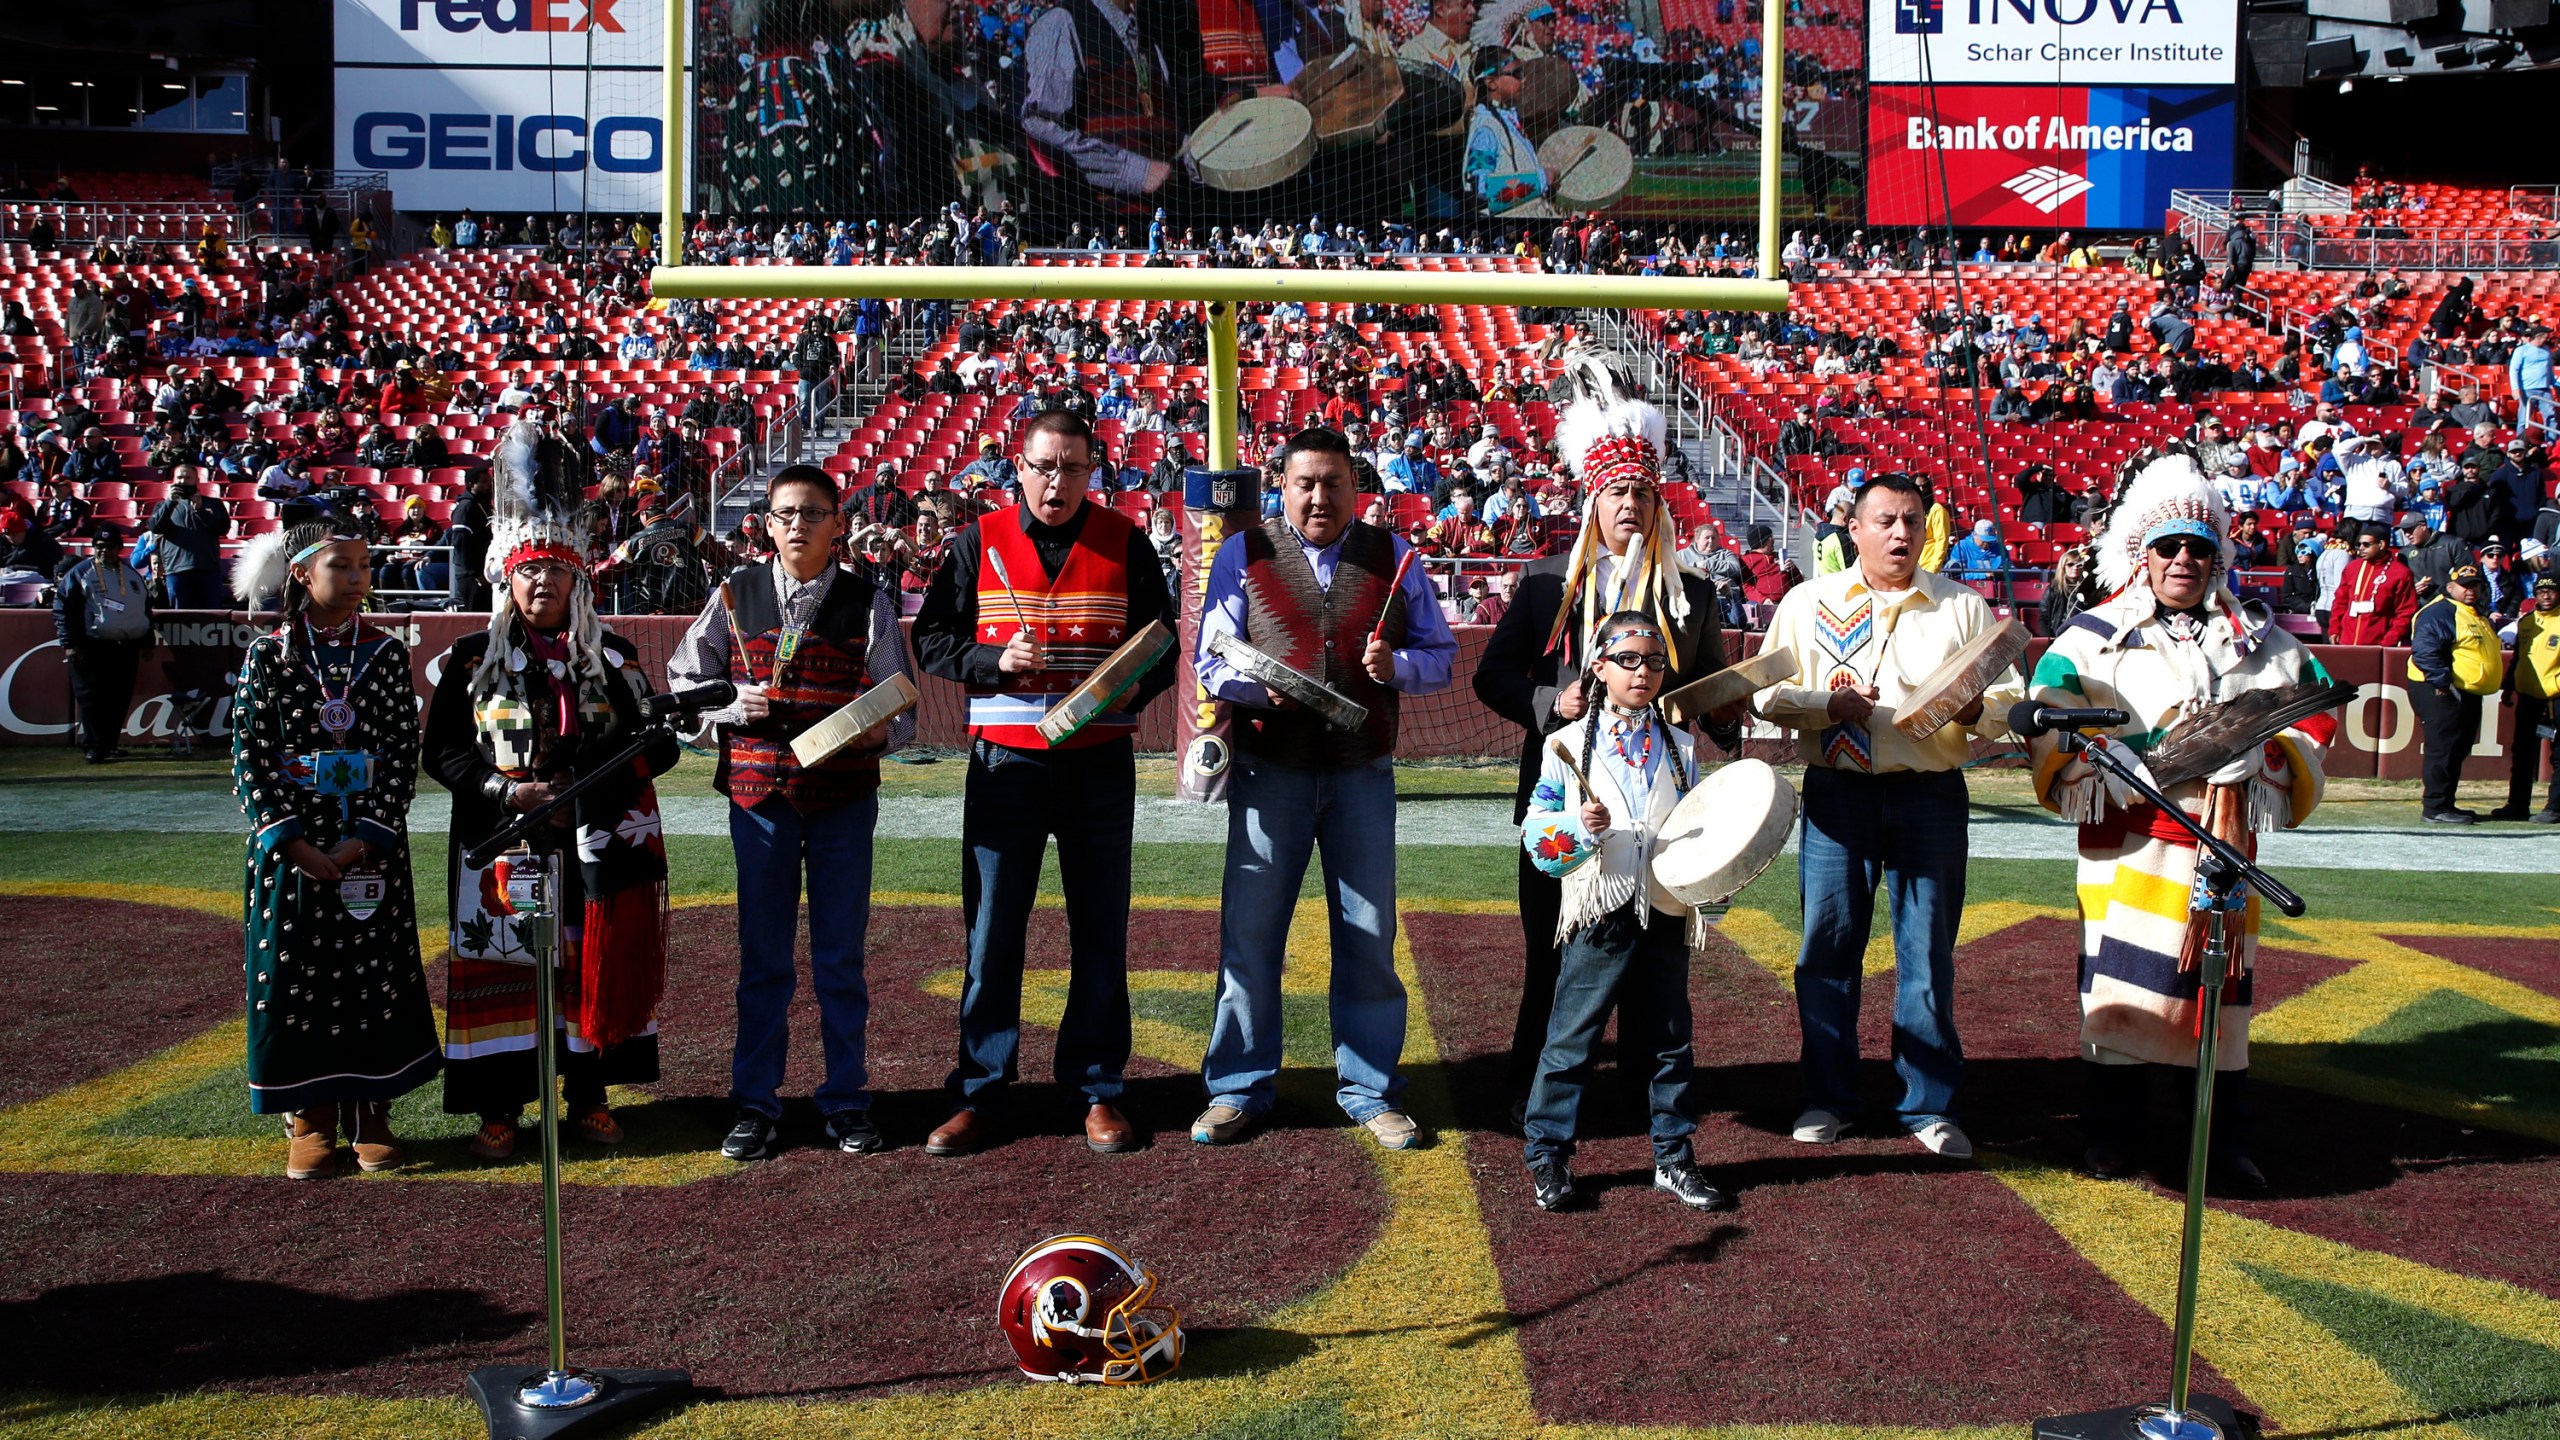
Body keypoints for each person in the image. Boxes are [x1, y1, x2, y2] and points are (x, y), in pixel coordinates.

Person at [2026, 453, 2340, 1189]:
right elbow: (2049, 711)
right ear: (2142, 551)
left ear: (2218, 555)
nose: (2184, 560)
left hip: (2223, 842)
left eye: (2200, 547)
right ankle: (2111, 1134)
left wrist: (2261, 760)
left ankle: (2221, 1141)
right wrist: (2107, 757)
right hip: (2130, 845)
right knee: (2123, 991)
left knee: (2220, 999)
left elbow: (2317, 712)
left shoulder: (2260, 638)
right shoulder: (2094, 635)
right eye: (2169, 546)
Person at [1473, 354, 1741, 1121]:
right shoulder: (1544, 584)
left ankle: (1635, 1101)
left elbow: (1708, 696)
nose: (1630, 503)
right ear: (1593, 499)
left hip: (1660, 812)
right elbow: (1493, 677)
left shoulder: (1690, 596)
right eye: (1618, 491)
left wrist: (1727, 712)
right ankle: (1536, 1094)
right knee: (1552, 952)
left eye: (1643, 492)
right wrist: (1547, 702)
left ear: (1660, 504)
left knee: (1651, 960)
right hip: (1561, 804)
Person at [913, 410, 1179, 1156]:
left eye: (1071, 467)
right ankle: (980, 1091)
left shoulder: (1126, 541)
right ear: (1017, 467)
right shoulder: (978, 540)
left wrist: (1131, 689)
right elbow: (930, 638)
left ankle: (1097, 1089)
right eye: (1043, 466)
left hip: (1099, 762)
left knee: (1100, 927)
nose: (1056, 481)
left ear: (1093, 471)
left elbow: (1163, 642)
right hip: (1007, 764)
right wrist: (991, 661)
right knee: (993, 932)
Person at [1189, 428, 1459, 1151]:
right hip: (1268, 772)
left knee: (1368, 937)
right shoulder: (1242, 553)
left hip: (1360, 774)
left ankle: (1370, 1088)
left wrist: (1393, 665)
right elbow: (1212, 659)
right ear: (1282, 485)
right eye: (1305, 482)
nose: (1318, 496)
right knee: (1250, 938)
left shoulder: (1396, 557)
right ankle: (1238, 1087)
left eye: (1333, 483)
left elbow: (1441, 658)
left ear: (1355, 489)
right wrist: (1255, 688)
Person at [424, 421, 682, 1159]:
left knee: (579, 962)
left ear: (578, 580)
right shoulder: (469, 661)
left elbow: (656, 743)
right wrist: (504, 794)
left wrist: (597, 783)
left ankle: (589, 1094)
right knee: (503, 962)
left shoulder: (615, 658)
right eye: (530, 571)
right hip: (498, 840)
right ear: (508, 577)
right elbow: (441, 752)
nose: (544, 583)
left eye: (558, 571)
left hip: (589, 843)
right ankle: (500, 1104)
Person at [1750, 473, 2025, 1159]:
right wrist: (1823, 707)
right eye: (1884, 520)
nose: (1899, 533)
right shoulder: (1808, 602)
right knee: (1827, 950)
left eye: (1911, 520)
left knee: (1927, 953)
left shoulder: (1963, 608)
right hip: (1838, 794)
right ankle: (1829, 1098)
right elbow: (1764, 695)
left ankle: (1928, 1108)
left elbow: (2010, 702)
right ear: (1854, 528)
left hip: (1930, 794)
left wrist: (1976, 709)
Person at [668, 464, 917, 1160]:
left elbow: (901, 703)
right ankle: (754, 1103)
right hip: (758, 800)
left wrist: (876, 732)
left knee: (841, 958)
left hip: (842, 800)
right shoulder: (732, 591)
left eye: (813, 512)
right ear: (767, 524)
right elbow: (685, 678)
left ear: (839, 523)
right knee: (763, 960)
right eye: (786, 513)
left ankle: (846, 1099)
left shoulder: (868, 602)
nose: (799, 524)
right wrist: (721, 709)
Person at [227, 519, 440, 1178]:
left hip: (368, 847)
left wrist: (362, 839)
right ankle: (310, 1114)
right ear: (300, 575)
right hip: (296, 848)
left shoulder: (382, 653)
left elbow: (402, 751)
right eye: (342, 566)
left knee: (374, 972)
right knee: (296, 976)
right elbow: (250, 755)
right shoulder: (267, 654)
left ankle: (372, 1110)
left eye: (365, 567)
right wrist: (290, 841)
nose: (356, 579)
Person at [1517, 610, 1733, 1214]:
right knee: (1571, 1039)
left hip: (1664, 909)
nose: (1643, 672)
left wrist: (1710, 887)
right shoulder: (1562, 745)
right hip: (1600, 909)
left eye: (1655, 662)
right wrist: (1576, 828)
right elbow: (1537, 832)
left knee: (1669, 1041)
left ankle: (1673, 1156)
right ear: (1600, 667)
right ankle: (1548, 1156)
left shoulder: (1683, 747)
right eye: (1629, 660)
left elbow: (1697, 827)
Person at [2408, 565, 2505, 824]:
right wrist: (2443, 682)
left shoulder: (2474, 613)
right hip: (2441, 690)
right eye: (2464, 585)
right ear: (2450, 587)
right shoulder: (2440, 611)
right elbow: (2426, 650)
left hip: (2465, 691)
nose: (2471, 589)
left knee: (2457, 749)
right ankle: (2435, 807)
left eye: (2475, 585)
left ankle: (2446, 803)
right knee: (2443, 748)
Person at [53, 525, 152, 763]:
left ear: (119, 549)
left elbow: (145, 609)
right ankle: (94, 746)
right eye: (99, 546)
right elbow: (63, 608)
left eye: (109, 547)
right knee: (92, 698)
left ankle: (109, 743)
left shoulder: (130, 574)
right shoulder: (80, 573)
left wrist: (147, 640)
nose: (104, 551)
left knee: (118, 697)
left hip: (125, 645)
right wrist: (70, 643)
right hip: (92, 645)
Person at [2497, 575, 2560, 822]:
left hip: (2555, 698)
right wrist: (2509, 685)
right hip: (2528, 696)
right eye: (2541, 590)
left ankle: (2555, 807)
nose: (2546, 595)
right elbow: (2519, 658)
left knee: (2559, 755)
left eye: (2552, 590)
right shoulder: (2527, 622)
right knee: (2522, 753)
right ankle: (2517, 805)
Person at [148, 467, 231, 609]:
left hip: (207, 570)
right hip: (176, 570)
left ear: (197, 481)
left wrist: (201, 511)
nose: (183, 481)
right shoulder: (163, 506)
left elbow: (223, 528)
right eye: (180, 478)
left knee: (212, 617)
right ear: (173, 480)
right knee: (179, 618)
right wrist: (169, 503)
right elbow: (155, 527)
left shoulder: (213, 503)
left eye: (188, 478)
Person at [2331, 525, 2418, 645]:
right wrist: (2334, 629)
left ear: (2381, 545)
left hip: (2378, 644)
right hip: (2347, 641)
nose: (2361, 548)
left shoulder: (2400, 573)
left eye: (2366, 545)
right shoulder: (2352, 568)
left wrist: (2388, 642)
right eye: (2359, 544)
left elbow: (2405, 612)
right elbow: (2340, 601)